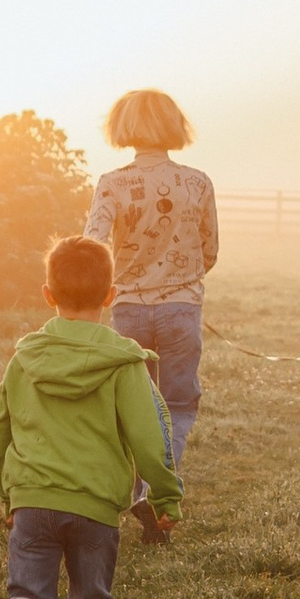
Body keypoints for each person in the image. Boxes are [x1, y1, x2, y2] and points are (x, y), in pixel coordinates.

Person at [0, 234, 182, 599]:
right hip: (94, 509)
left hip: (32, 500)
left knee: (33, 596)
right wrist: (166, 495)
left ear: (48, 294)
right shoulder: (124, 362)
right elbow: (149, 436)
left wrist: (6, 492)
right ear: (112, 296)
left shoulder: (26, 357)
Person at [83, 87, 216, 539]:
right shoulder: (197, 182)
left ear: (122, 127)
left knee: (133, 407)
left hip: (129, 311)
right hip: (181, 308)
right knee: (177, 405)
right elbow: (210, 248)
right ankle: (160, 499)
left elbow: (93, 247)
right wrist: (185, 282)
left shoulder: (112, 183)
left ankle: (137, 494)